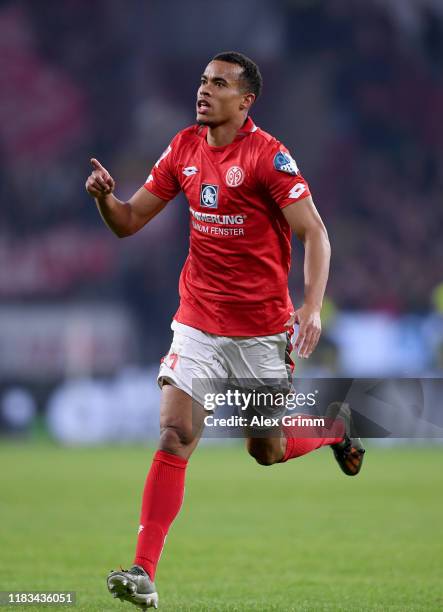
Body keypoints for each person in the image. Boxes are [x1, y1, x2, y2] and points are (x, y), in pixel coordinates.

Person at [85, 51, 365, 610]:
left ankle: (333, 425)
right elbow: (129, 222)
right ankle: (143, 572)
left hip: (262, 332)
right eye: (202, 81)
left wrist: (311, 307)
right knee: (175, 433)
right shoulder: (184, 147)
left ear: (246, 100)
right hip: (198, 321)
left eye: (219, 84)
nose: (204, 91)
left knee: (265, 450)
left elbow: (316, 233)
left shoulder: (268, 157)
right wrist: (104, 200)